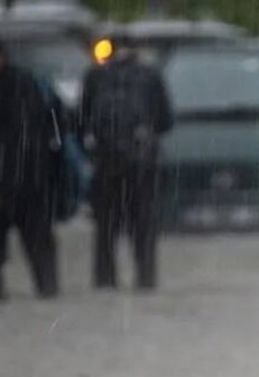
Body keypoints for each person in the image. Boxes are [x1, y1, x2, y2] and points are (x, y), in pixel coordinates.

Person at [0, 34, 60, 300]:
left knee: (34, 240)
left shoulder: (17, 85)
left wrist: (9, 175)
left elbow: (23, 135)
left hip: (23, 179)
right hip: (5, 179)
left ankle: (44, 291)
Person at [79, 37, 173, 291]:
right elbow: (165, 121)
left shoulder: (95, 76)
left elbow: (82, 120)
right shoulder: (150, 76)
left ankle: (105, 280)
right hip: (142, 164)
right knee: (143, 225)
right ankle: (145, 278)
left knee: (106, 228)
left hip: (106, 162)